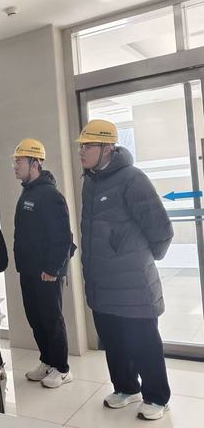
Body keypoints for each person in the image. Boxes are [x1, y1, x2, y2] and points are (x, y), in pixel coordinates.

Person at [78, 120, 173, 421]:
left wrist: (140, 259)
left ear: (108, 147)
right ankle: (126, 388)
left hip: (132, 284)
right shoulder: (90, 182)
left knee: (143, 342)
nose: (82, 151)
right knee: (114, 341)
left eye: (88, 145)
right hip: (101, 282)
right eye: (81, 145)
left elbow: (161, 229)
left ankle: (157, 397)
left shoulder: (133, 179)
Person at [12, 139, 74, 389]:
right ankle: (47, 360)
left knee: (51, 319)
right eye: (15, 161)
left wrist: (52, 269)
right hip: (29, 270)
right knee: (36, 318)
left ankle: (62, 368)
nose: (15, 166)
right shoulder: (28, 192)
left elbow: (62, 237)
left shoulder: (50, 195)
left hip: (46, 272)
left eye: (19, 161)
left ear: (35, 163)